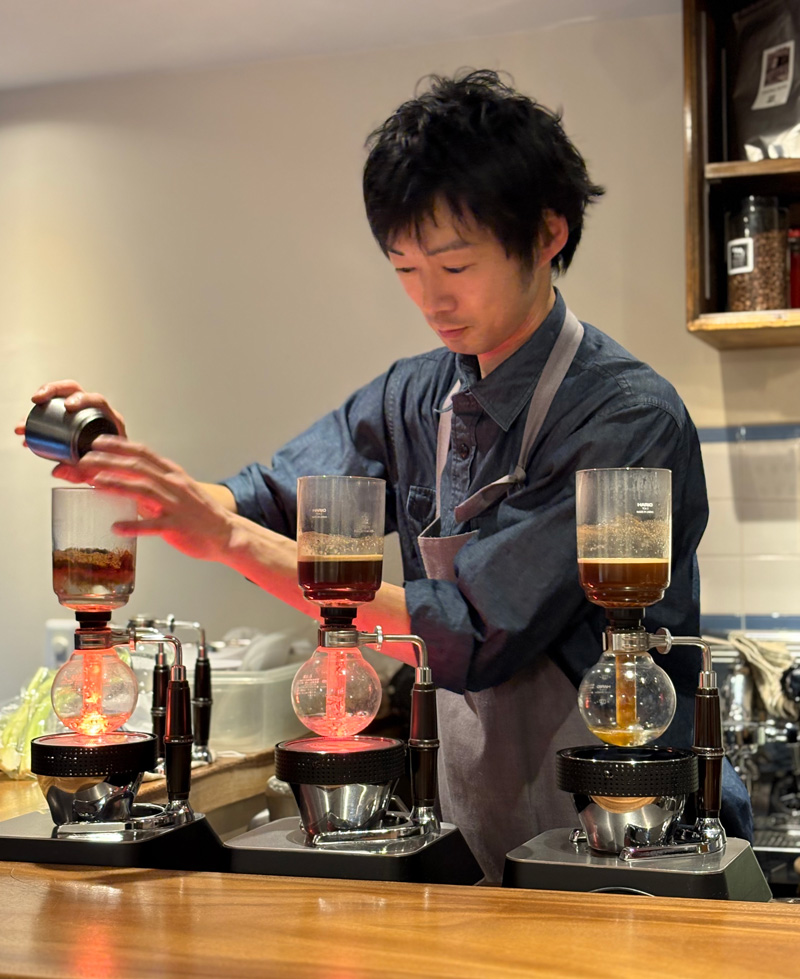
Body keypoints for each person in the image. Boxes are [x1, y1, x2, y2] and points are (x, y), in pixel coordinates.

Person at [19, 70, 752, 883]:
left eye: (454, 265)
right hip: (479, 821)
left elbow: (474, 631)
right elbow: (270, 494)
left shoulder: (625, 417)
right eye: (405, 269)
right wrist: (138, 473)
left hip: (641, 837)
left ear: (549, 234)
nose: (431, 299)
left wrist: (225, 536)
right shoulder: (417, 394)